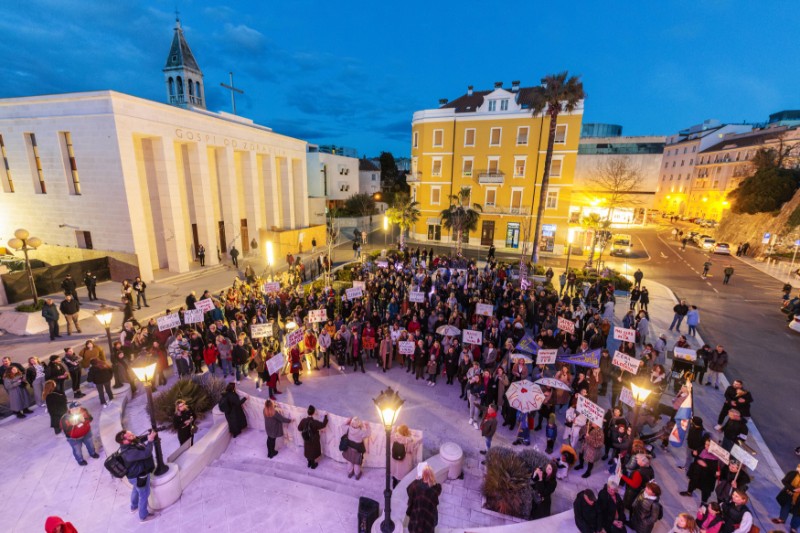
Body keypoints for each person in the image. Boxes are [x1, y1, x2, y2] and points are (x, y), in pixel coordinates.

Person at [116, 429, 158, 522]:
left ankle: (134, 507)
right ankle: (143, 516)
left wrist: (148, 436)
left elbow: (138, 439)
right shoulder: (129, 453)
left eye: (132, 434)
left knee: (136, 489)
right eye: (130, 436)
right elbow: (146, 453)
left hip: (133, 476)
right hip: (139, 476)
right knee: (144, 495)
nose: (134, 436)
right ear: (124, 441)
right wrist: (150, 441)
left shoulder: (128, 444)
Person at [406, 464, 442, 533]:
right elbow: (439, 489)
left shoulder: (415, 485)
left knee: (415, 527)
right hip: (429, 514)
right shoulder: (436, 488)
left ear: (422, 475)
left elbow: (408, 490)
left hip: (417, 513)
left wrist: (416, 480)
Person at [771, 463, 800, 531]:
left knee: (798, 513)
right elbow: (784, 481)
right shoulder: (793, 473)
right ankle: (782, 519)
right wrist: (793, 489)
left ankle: (794, 527)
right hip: (789, 494)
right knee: (785, 506)